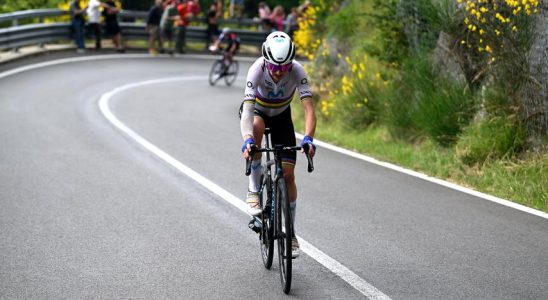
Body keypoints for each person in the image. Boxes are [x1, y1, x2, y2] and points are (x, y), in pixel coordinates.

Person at [240, 31, 317, 258]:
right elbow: (247, 110)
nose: (279, 72)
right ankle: (254, 189)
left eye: (285, 67)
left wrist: (309, 138)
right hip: (259, 112)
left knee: (289, 175)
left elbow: (309, 109)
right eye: (274, 67)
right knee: (256, 131)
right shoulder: (256, 69)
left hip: (283, 116)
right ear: (266, 59)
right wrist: (247, 141)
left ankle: (290, 232)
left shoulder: (297, 70)